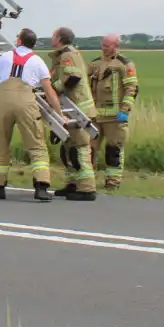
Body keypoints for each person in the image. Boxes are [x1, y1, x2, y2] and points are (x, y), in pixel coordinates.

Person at [0, 27, 65, 202]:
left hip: (3, 101)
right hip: (26, 103)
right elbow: (49, 91)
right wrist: (60, 114)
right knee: (36, 144)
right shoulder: (38, 61)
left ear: (20, 41)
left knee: (1, 143)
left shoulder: (5, 57)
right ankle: (41, 187)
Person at [48, 27, 98, 201]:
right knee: (68, 148)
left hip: (78, 109)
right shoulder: (68, 54)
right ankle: (72, 184)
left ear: (60, 38)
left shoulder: (67, 55)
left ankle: (87, 189)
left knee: (80, 149)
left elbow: (73, 78)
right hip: (72, 110)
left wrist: (53, 89)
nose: (51, 37)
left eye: (53, 35)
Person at [88, 34, 140, 190]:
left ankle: (113, 182)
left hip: (115, 116)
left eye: (107, 45)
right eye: (102, 44)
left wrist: (125, 110)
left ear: (115, 46)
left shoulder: (125, 64)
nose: (103, 48)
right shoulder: (95, 63)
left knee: (114, 149)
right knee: (89, 149)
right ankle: (87, 180)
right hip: (95, 115)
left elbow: (132, 89)